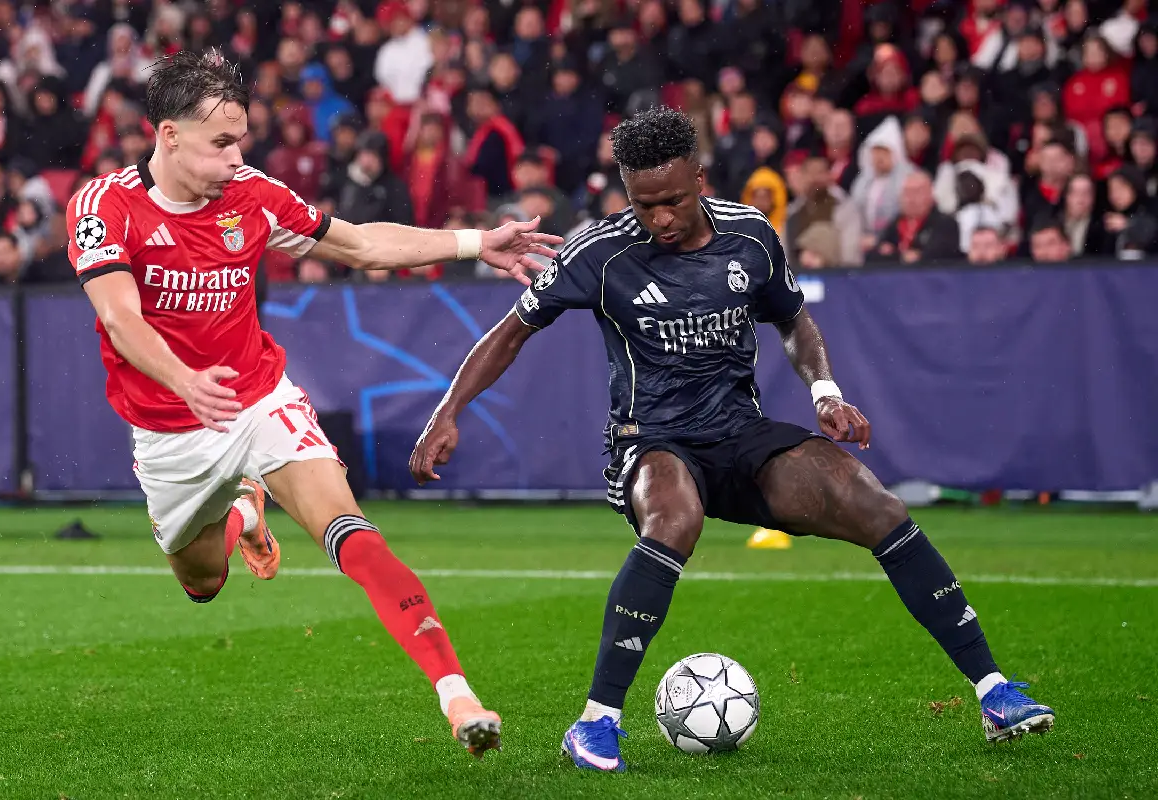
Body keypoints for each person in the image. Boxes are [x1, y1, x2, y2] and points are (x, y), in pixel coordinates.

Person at [408, 107, 1054, 772]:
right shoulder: (599, 251)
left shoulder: (751, 236)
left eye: (674, 200)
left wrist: (825, 392)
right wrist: (449, 410)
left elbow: (794, 320)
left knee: (876, 505)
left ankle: (994, 693)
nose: (659, 217)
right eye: (644, 203)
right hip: (649, 438)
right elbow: (512, 329)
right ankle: (595, 724)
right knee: (675, 515)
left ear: (700, 178)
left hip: (740, 434)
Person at [64, 50, 561, 759]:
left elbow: (360, 245)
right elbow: (120, 318)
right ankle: (242, 507)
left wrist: (476, 241)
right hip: (171, 426)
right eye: (222, 143)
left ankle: (457, 695)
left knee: (348, 527)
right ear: (167, 135)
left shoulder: (253, 193)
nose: (239, 157)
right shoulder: (105, 206)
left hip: (257, 396)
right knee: (203, 583)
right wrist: (182, 379)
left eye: (243, 140)